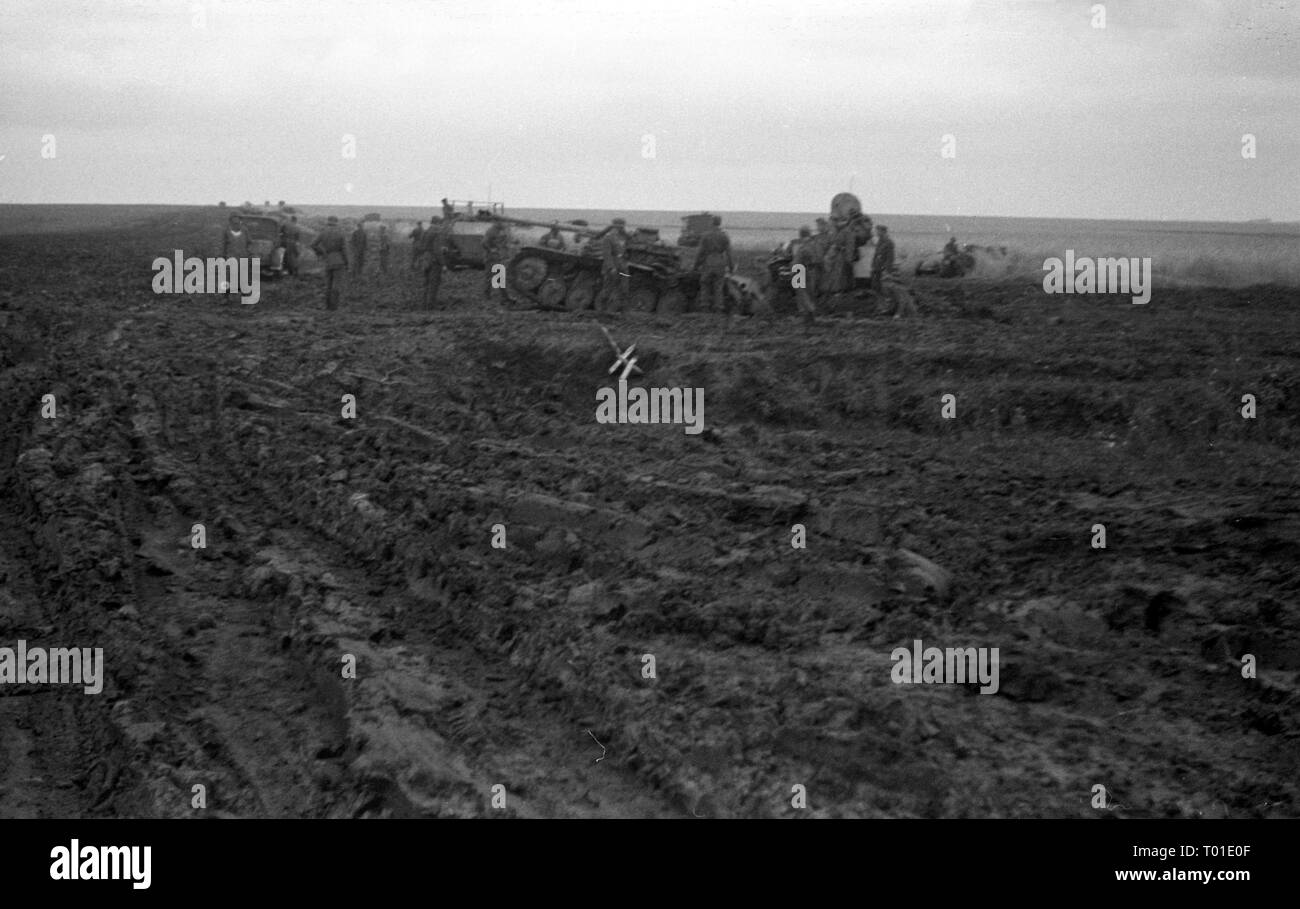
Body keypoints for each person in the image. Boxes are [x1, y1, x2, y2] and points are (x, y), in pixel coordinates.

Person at [872, 225, 917, 318]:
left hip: (883, 268)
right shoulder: (880, 242)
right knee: (879, 288)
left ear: (883, 231)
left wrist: (886, 270)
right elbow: (876, 255)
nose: (876, 233)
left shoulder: (889, 243)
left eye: (878, 231)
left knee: (889, 289)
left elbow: (890, 258)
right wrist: (874, 266)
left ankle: (892, 309)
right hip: (877, 267)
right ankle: (886, 307)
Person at [693, 214, 734, 313]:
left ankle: (705, 307)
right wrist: (731, 267)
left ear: (712, 222)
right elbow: (729, 254)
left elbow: (700, 252)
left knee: (705, 284)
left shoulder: (705, 235)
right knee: (718, 287)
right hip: (720, 262)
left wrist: (696, 265)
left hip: (708, 262)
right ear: (720, 223)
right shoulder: (724, 236)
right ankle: (718, 308)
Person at [311, 215, 349, 311]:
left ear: (328, 222)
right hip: (338, 260)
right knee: (336, 285)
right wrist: (347, 262)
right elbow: (344, 250)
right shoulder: (341, 233)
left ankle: (327, 306)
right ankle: (334, 307)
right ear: (337, 222)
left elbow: (313, 245)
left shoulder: (323, 232)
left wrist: (322, 252)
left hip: (328, 260)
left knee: (328, 284)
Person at [597, 218, 629, 311]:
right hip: (611, 266)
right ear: (614, 226)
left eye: (622, 226)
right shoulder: (608, 237)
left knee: (624, 288)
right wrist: (611, 267)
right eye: (619, 226)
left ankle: (621, 309)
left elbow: (625, 249)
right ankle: (601, 309)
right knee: (608, 288)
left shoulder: (623, 237)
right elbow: (607, 254)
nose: (621, 228)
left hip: (622, 266)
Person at [791, 225, 819, 326]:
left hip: (800, 270)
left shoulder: (805, 246)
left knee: (801, 294)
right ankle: (809, 314)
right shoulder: (813, 244)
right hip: (807, 270)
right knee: (808, 293)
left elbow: (804, 258)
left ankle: (807, 314)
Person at [417, 220, 446, 310]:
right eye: (440, 224)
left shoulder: (425, 232)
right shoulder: (436, 233)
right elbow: (437, 250)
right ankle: (431, 305)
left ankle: (423, 304)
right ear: (437, 223)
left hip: (425, 260)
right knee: (434, 283)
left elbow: (420, 246)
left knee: (426, 283)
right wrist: (443, 263)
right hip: (434, 261)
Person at [481, 219, 511, 303]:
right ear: (497, 222)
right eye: (501, 222)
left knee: (498, 277)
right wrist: (491, 250)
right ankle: (488, 296)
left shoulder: (499, 231)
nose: (503, 223)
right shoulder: (492, 231)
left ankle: (503, 296)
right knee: (491, 277)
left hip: (497, 257)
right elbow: (484, 242)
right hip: (491, 258)